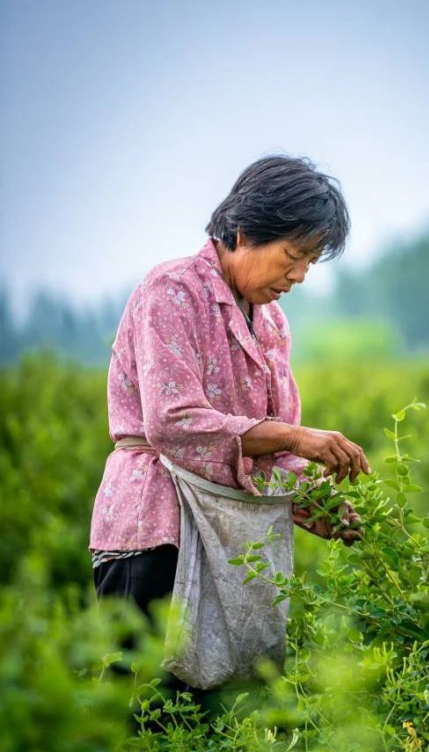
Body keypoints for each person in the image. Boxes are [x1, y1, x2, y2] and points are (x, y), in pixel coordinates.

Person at [90, 154, 370, 688]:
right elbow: (173, 423)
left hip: (231, 535)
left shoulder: (272, 323)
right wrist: (297, 438)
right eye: (293, 255)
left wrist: (313, 499)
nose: (300, 275)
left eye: (311, 261)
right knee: (138, 702)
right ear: (243, 233)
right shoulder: (171, 291)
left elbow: (272, 446)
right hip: (155, 528)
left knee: (221, 710)